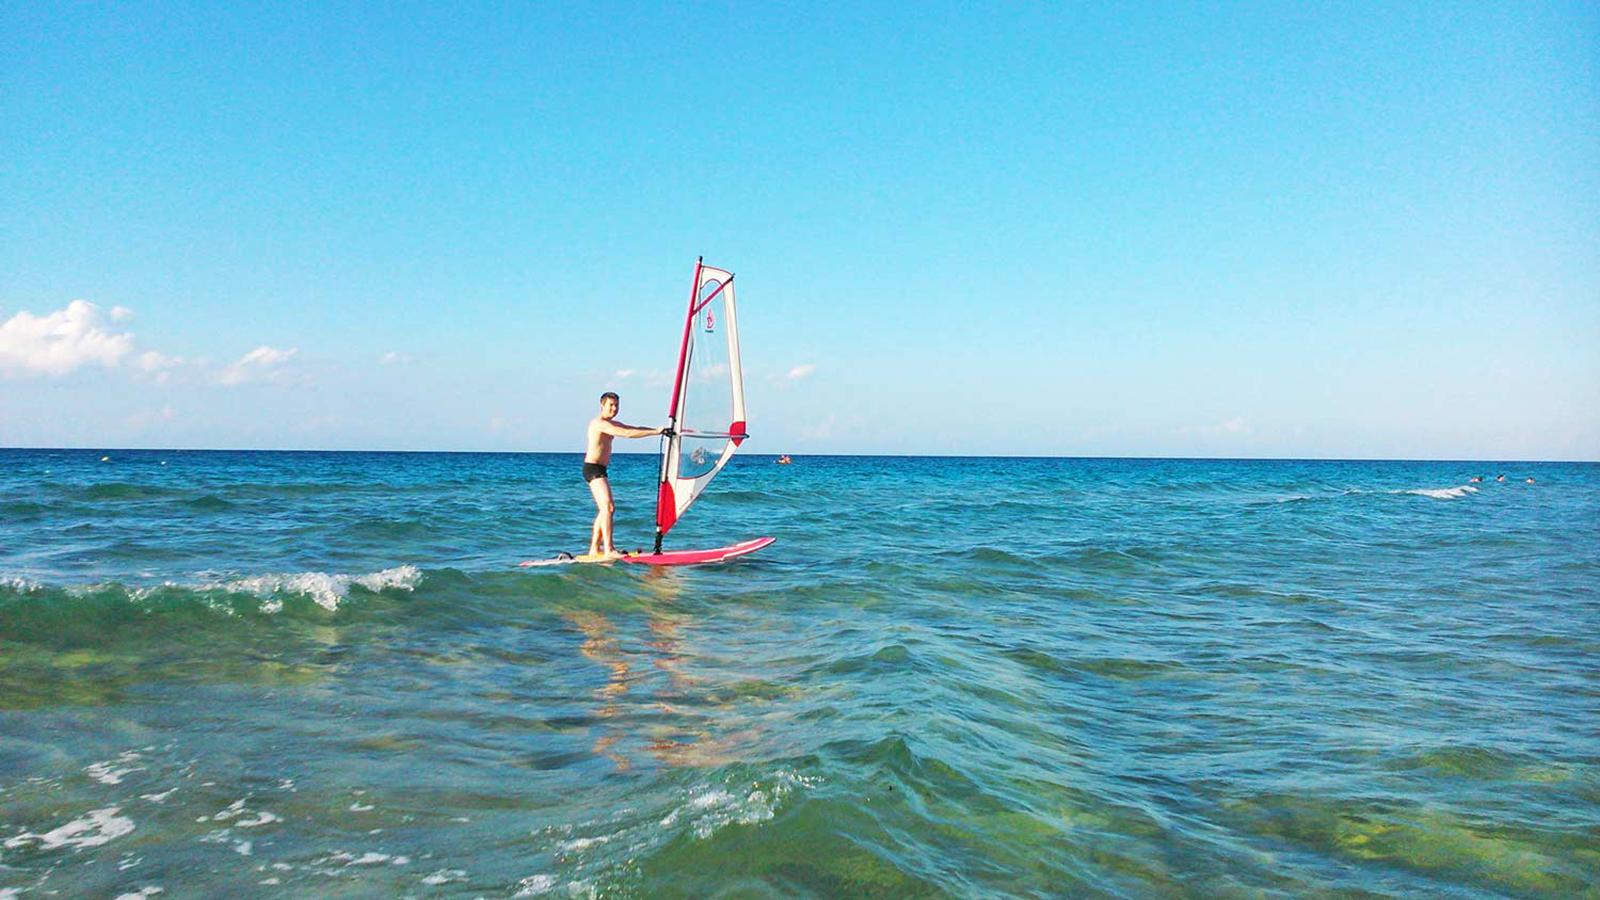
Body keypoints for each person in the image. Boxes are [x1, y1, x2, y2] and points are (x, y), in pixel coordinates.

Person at [584, 392, 666, 558]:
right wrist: (654, 432)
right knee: (608, 508)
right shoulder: (599, 423)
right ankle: (609, 549)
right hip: (593, 469)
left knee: (605, 509)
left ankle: (594, 548)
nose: (614, 409)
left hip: (600, 469)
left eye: (616, 405)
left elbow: (632, 429)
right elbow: (627, 434)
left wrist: (658, 431)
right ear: (602, 405)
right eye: (611, 405)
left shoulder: (611, 423)